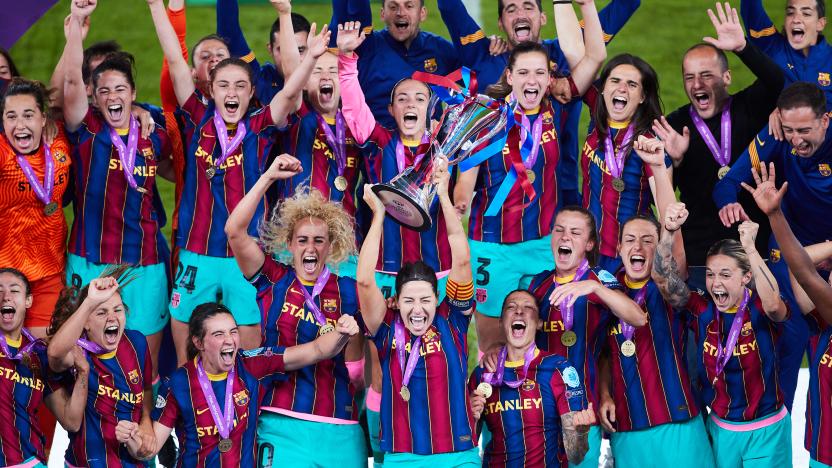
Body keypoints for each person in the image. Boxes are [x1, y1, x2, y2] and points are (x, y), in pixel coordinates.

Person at [147, 0, 327, 360]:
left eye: (240, 86)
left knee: (247, 348)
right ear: (211, 89)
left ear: (250, 92)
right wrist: (156, 5)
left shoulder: (260, 126)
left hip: (245, 256)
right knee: (186, 353)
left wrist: (311, 58)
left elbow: (290, 94)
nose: (232, 93)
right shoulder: (196, 117)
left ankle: (243, 409)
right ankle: (190, 408)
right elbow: (176, 60)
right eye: (224, 85)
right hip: (197, 253)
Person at [453, 0, 607, 352]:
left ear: (550, 78)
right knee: (492, 348)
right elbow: (465, 187)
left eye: (540, 72)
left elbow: (595, 56)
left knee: (550, 341)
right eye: (523, 72)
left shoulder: (559, 105)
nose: (532, 80)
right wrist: (457, 202)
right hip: (492, 249)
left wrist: (583, 5)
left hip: (543, 245)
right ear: (509, 77)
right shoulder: (484, 120)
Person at [226, 154, 367, 466]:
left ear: (331, 246)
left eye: (320, 240)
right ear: (289, 244)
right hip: (280, 421)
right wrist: (269, 178)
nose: (311, 248)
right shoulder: (274, 279)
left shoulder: (350, 290)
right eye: (302, 240)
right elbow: (235, 231)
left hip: (340, 428)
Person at [61, 0, 174, 380]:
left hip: (144, 263)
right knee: (84, 357)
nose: (113, 97)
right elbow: (71, 83)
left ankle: (150, 436)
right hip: (89, 258)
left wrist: (145, 111)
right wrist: (76, 22)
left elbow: (178, 170)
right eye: (104, 90)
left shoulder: (152, 130)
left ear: (132, 92)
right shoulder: (85, 130)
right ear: (94, 96)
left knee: (147, 360)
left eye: (120, 89)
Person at [437, 0, 641, 206]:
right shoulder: (482, 55)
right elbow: (449, 7)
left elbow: (626, 5)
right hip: (499, 197)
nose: (520, 14)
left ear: (543, 18)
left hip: (560, 194)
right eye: (511, 9)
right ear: (500, 22)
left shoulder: (563, 54)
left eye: (528, 7)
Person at [116, 302, 359, 466]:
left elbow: (316, 350)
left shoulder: (252, 365)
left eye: (233, 331)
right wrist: (131, 438)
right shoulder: (179, 383)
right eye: (218, 334)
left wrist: (341, 333)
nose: (230, 340)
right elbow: (149, 449)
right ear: (198, 342)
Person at [357, 157, 480, 466]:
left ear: (437, 298)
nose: (417, 310)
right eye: (409, 300)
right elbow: (364, 280)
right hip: (403, 458)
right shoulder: (386, 330)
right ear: (396, 301)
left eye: (425, 300)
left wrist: (442, 195)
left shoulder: (452, 320)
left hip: (458, 457)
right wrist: (379, 216)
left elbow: (461, 260)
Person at [653, 201, 791, 468]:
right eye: (711, 274)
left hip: (767, 430)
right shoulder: (702, 310)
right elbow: (664, 283)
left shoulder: (761, 307)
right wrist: (668, 233)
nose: (715, 283)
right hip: (721, 429)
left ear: (745, 276)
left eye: (725, 275)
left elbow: (776, 305)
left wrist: (750, 248)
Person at [654, 1, 784, 284]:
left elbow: (777, 80)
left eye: (706, 75)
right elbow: (663, 200)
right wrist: (673, 161)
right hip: (701, 256)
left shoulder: (750, 106)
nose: (697, 84)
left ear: (726, 77)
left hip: (756, 251)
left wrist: (743, 48)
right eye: (689, 77)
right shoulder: (674, 125)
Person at [337, 21, 453, 298]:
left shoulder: (446, 147)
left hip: (436, 266)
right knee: (383, 338)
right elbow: (354, 108)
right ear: (391, 109)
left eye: (419, 99)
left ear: (429, 108)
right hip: (385, 268)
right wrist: (346, 60)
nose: (411, 104)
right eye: (402, 99)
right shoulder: (380, 142)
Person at [526, 206, 647, 468]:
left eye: (575, 232)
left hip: (583, 411)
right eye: (559, 230)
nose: (565, 237)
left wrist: (593, 287)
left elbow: (637, 318)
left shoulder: (600, 280)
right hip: (541, 413)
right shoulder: (538, 284)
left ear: (589, 243)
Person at [596, 216, 715, 467]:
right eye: (629, 240)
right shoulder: (606, 289)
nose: (637, 247)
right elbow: (605, 353)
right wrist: (605, 394)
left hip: (678, 420)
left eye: (647, 240)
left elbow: (666, 277)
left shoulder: (668, 287)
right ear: (619, 249)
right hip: (627, 426)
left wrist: (669, 234)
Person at [744, 162, 832, 468]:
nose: (827, 278)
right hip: (823, 454)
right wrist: (774, 214)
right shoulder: (826, 321)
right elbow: (804, 270)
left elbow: (807, 273)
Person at [269, 0, 366, 269]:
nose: (326, 76)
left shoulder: (354, 121)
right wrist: (285, 14)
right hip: (295, 241)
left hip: (342, 243)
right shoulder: (300, 116)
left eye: (333, 71)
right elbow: (291, 74)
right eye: (316, 72)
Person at [469, 289, 596, 467]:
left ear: (538, 323)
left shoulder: (559, 369)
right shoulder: (483, 374)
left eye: (528, 307)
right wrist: (472, 419)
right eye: (511, 307)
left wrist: (581, 432)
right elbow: (466, 443)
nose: (519, 311)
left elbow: (576, 455)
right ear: (501, 322)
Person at [46, 271, 154, 468]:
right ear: (86, 322)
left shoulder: (137, 342)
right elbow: (54, 354)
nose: (112, 318)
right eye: (101, 312)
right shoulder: (77, 350)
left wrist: (147, 422)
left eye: (117, 310)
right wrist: (89, 302)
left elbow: (146, 390)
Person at [580, 54, 675, 272]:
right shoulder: (599, 113)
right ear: (603, 88)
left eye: (632, 84)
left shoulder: (649, 144)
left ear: (642, 96)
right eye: (615, 81)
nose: (622, 88)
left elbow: (667, 212)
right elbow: (582, 51)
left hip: (626, 258)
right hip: (587, 250)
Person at [713, 81, 832, 248]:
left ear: (825, 121)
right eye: (789, 130)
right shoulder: (775, 133)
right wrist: (728, 203)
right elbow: (728, 181)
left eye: (804, 130)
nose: (796, 141)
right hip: (790, 243)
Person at [0, 78, 72, 339]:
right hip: (6, 276)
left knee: (43, 359)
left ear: (43, 118)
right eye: (11, 117)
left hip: (49, 273)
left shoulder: (59, 140)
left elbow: (63, 86)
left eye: (28, 115)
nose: (19, 125)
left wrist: (72, 39)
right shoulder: (3, 152)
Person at [0, 268, 89, 467]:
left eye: (14, 291)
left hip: (29, 461)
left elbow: (71, 421)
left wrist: (83, 372)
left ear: (28, 301)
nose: (6, 297)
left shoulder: (39, 355)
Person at [329, 0, 461, 127]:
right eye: (393, 7)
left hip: (428, 146)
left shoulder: (441, 50)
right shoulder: (366, 47)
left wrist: (446, 128)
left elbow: (471, 90)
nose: (400, 12)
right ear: (383, 14)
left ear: (422, 13)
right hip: (376, 145)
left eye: (409, 6)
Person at [740, 0, 832, 109]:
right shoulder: (773, 47)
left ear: (820, 24)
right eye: (790, 13)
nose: (796, 19)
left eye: (806, 14)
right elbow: (752, 11)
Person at [217, 0, 311, 104]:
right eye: (283, 50)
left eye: (300, 50)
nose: (293, 57)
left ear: (312, 48)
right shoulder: (261, 81)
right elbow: (229, 34)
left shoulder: (325, 78)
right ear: (270, 49)